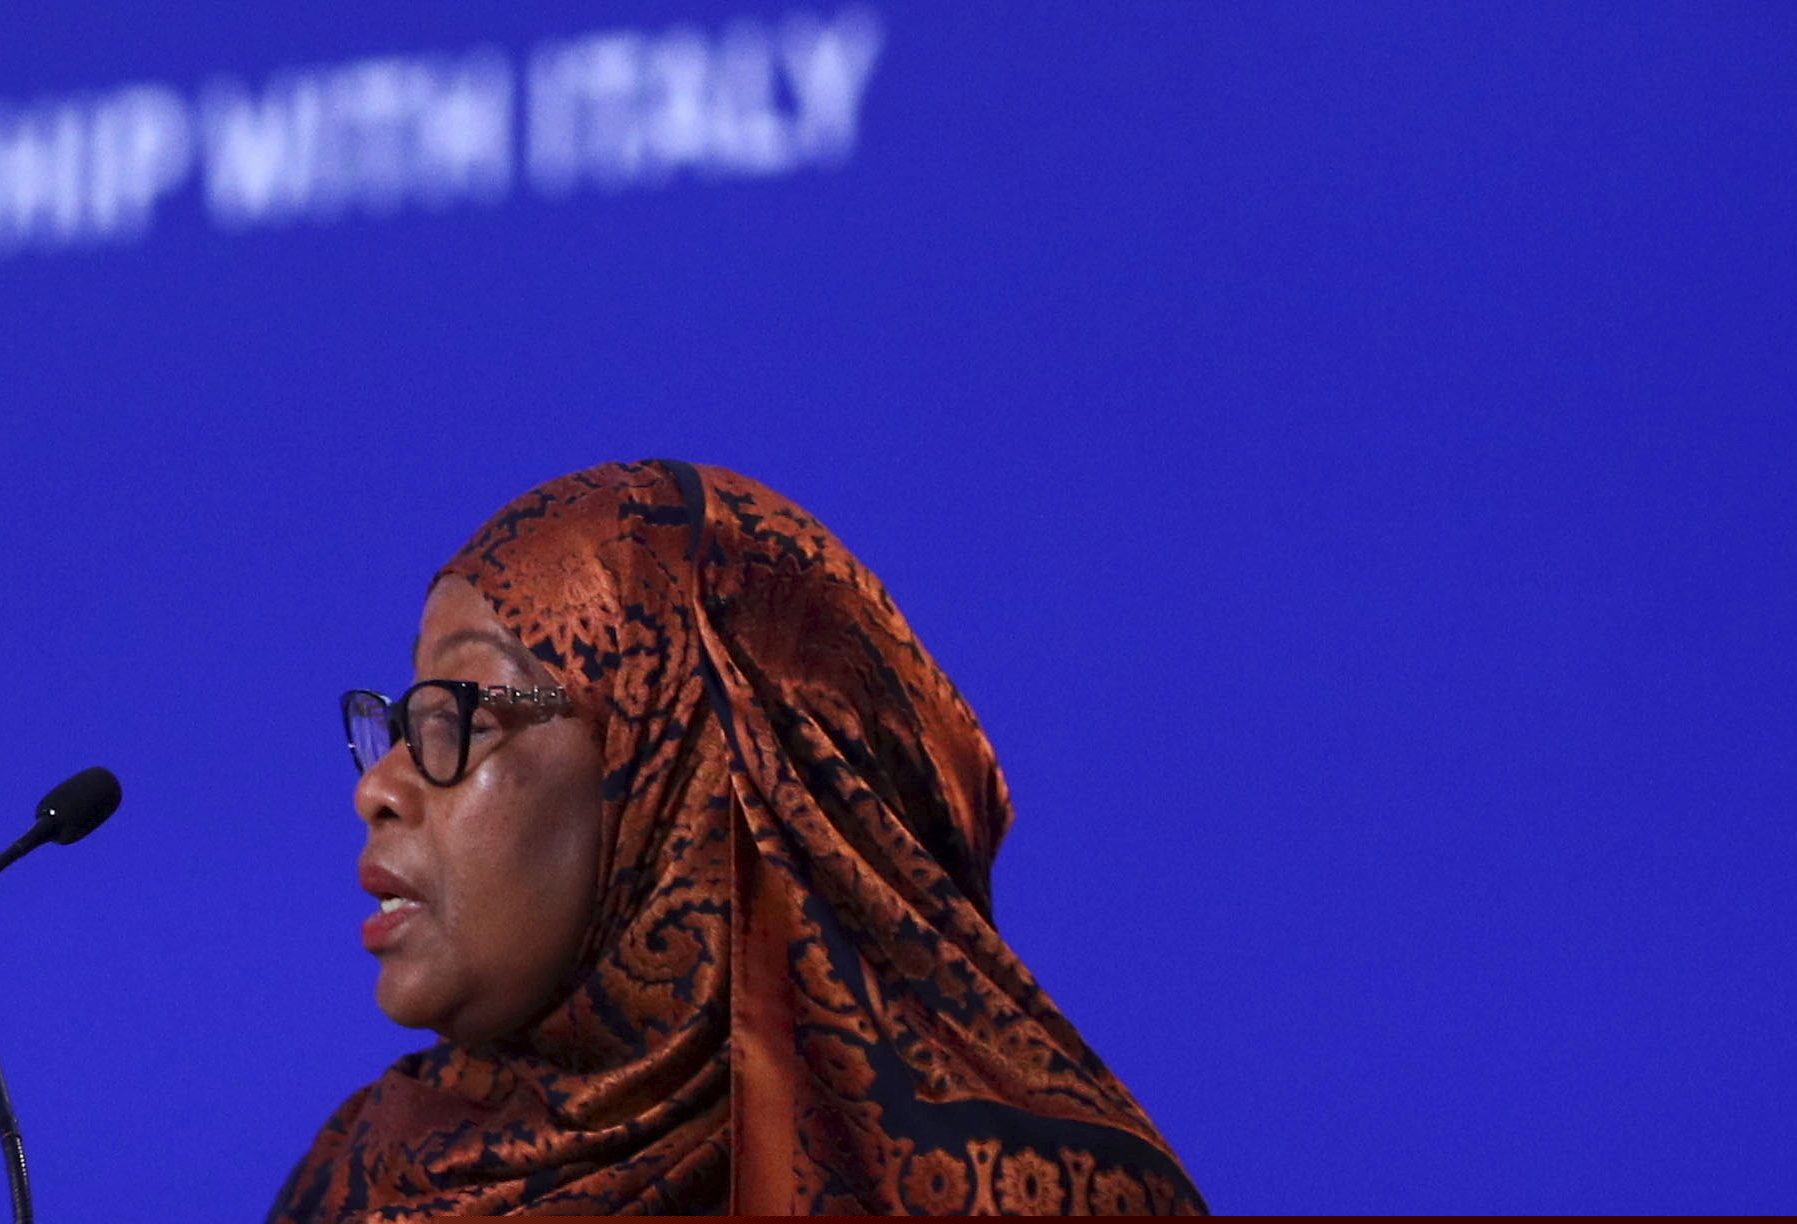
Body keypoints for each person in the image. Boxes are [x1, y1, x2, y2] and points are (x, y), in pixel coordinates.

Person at [271, 461, 1201, 1218]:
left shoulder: (1048, 1198)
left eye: (462, 714)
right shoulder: (357, 1181)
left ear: (690, 771)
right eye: (403, 721)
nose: (376, 788)